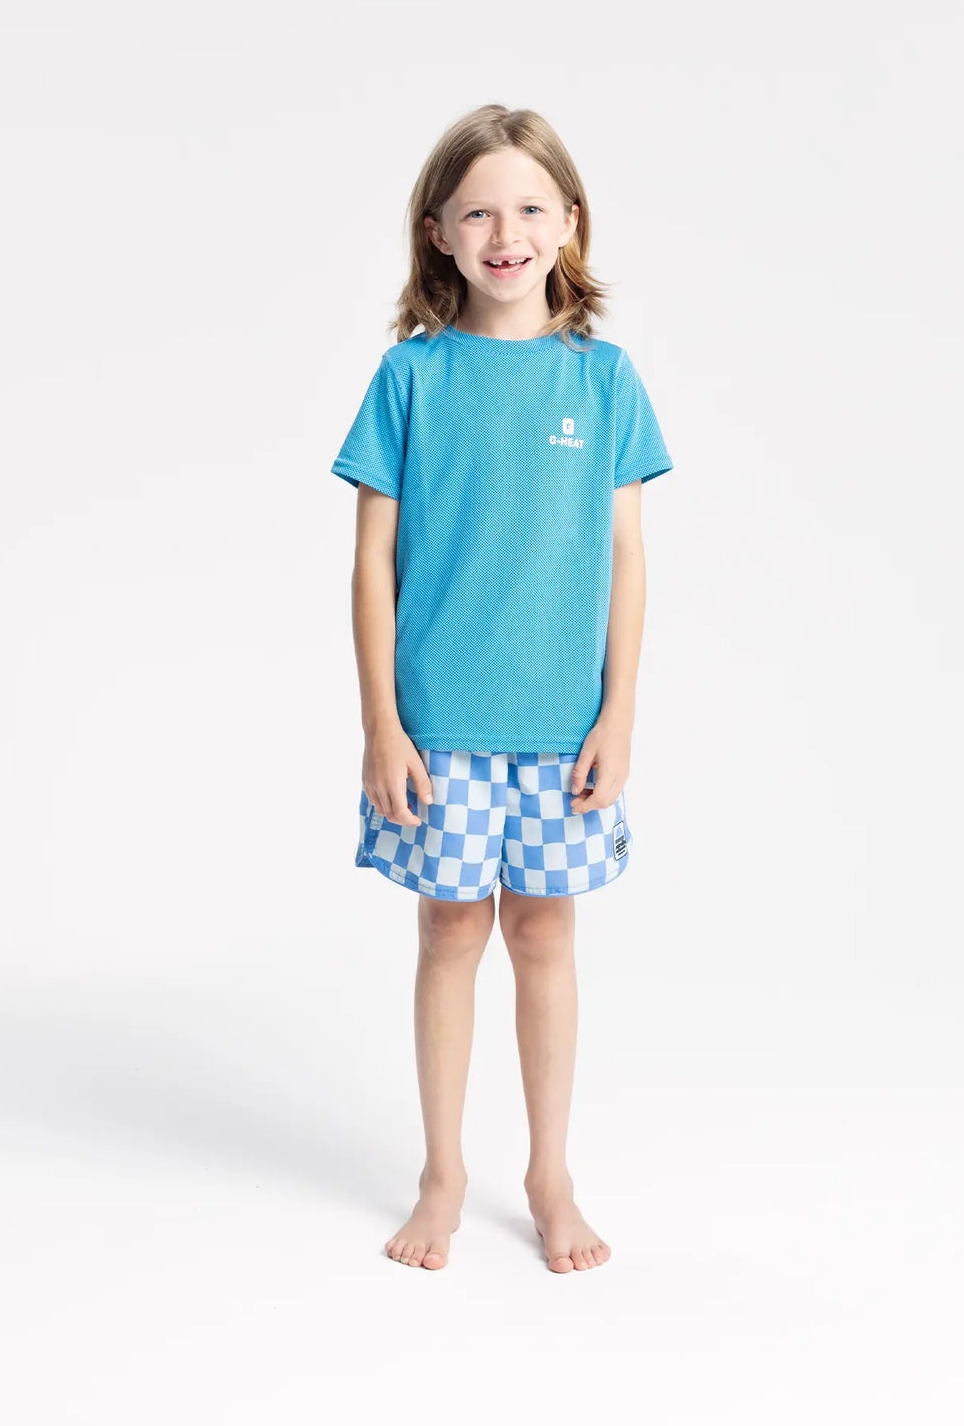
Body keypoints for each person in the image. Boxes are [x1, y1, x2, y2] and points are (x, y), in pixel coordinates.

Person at [330, 104, 674, 1274]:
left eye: (529, 208)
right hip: (438, 729)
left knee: (542, 933)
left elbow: (627, 557)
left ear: (570, 222)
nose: (505, 233)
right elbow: (371, 562)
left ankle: (549, 1174)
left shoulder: (605, 380)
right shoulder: (410, 378)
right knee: (448, 933)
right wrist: (383, 724)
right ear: (437, 232)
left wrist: (619, 713)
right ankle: (442, 1174)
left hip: (562, 732)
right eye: (477, 211)